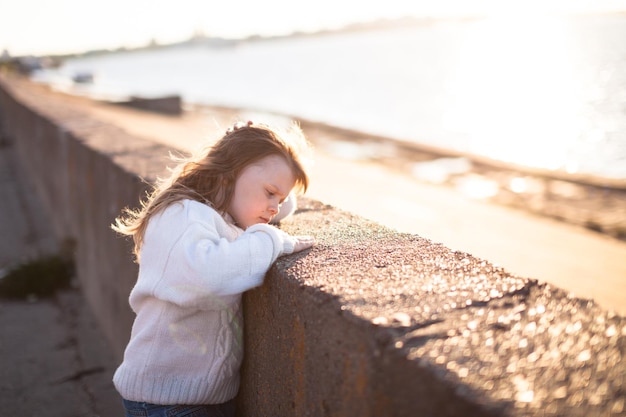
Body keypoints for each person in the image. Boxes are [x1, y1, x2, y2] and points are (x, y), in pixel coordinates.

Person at [111, 120, 315, 417]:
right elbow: (208, 276)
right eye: (270, 193)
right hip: (168, 403)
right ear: (228, 173)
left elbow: (281, 203)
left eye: (279, 198)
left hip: (195, 398)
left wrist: (272, 178)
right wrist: (272, 240)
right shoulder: (183, 215)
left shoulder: (227, 211)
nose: (274, 208)